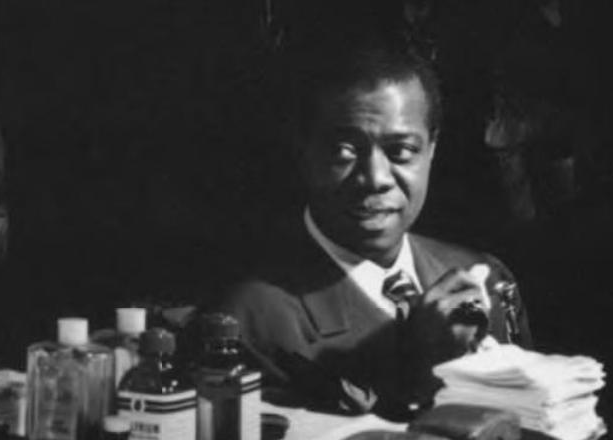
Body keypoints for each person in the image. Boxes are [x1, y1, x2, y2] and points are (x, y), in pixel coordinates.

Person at [212, 41, 533, 420]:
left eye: (401, 152)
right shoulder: (252, 320)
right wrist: (420, 370)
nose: (375, 178)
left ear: (432, 149)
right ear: (305, 150)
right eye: (344, 151)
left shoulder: (488, 277)